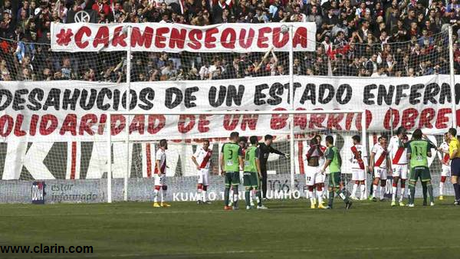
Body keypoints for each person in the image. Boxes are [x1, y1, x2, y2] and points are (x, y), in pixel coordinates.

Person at [320, 135, 352, 209]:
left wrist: (324, 168)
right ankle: (330, 205)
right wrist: (339, 166)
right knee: (330, 188)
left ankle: (347, 201)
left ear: (327, 142)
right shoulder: (336, 149)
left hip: (334, 171)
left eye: (326, 141)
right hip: (336, 170)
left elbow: (329, 159)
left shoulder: (330, 149)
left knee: (336, 188)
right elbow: (340, 159)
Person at [406, 129, 436, 207]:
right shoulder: (426, 143)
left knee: (412, 183)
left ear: (414, 136)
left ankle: (411, 203)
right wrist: (427, 139)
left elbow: (408, 156)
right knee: (427, 183)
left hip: (414, 165)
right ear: (421, 135)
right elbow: (429, 154)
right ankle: (430, 201)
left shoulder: (411, 143)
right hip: (424, 165)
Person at [258, 135, 289, 199]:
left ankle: (264, 197)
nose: (272, 141)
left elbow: (275, 151)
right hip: (258, 166)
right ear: (268, 140)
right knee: (257, 182)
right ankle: (256, 196)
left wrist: (283, 154)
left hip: (263, 166)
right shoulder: (260, 146)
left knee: (264, 181)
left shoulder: (269, 147)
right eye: (271, 140)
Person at [221, 132, 244, 210]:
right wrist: (243, 169)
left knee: (227, 187)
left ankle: (226, 205)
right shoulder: (238, 147)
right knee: (235, 188)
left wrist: (222, 168)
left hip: (227, 170)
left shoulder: (224, 145)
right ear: (235, 137)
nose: (239, 139)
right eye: (238, 137)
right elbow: (240, 159)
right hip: (234, 170)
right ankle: (235, 205)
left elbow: (221, 158)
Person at [243, 136, 267, 210]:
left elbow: (245, 160)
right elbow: (257, 161)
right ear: (256, 141)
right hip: (253, 170)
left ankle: (248, 205)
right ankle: (259, 205)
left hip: (246, 170)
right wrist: (259, 173)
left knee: (247, 188)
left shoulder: (247, 149)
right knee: (257, 187)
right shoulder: (256, 149)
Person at [388, 127, 409, 207]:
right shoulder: (393, 138)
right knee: (395, 180)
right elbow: (389, 148)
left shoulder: (406, 138)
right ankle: (393, 199)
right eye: (404, 131)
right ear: (400, 131)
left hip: (404, 163)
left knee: (403, 181)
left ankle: (401, 200)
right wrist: (387, 153)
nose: (405, 132)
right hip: (396, 163)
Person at [305, 136, 326, 209]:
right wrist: (313, 148)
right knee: (310, 186)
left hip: (318, 168)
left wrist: (317, 148)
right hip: (310, 169)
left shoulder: (319, 148)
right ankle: (312, 202)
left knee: (319, 185)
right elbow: (307, 155)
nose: (316, 143)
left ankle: (320, 203)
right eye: (315, 142)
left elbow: (321, 155)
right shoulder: (308, 148)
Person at [369, 135, 391, 201]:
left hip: (384, 167)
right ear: (380, 140)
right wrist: (371, 165)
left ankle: (381, 197)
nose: (384, 141)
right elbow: (372, 156)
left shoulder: (386, 148)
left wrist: (389, 167)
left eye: (385, 140)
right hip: (377, 166)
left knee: (383, 182)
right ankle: (373, 196)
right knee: (377, 179)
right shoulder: (376, 146)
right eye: (383, 139)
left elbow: (387, 158)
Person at [191, 139, 213, 204]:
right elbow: (193, 157)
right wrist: (197, 165)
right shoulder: (200, 150)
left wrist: (213, 166)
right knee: (200, 183)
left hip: (207, 169)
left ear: (208, 145)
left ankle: (204, 200)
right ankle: (198, 199)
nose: (205, 145)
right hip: (200, 169)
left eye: (206, 144)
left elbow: (210, 160)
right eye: (204, 144)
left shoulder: (210, 151)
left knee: (205, 185)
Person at [153, 139, 170, 208]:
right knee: (157, 186)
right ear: (164, 144)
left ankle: (163, 202)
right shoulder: (159, 152)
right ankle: (155, 202)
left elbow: (161, 161)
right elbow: (157, 161)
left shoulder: (163, 152)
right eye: (166, 143)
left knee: (164, 186)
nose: (167, 145)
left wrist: (165, 165)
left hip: (163, 171)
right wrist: (159, 170)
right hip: (159, 172)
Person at [349, 135, 367, 200]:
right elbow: (365, 157)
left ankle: (353, 194)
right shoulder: (363, 147)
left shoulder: (352, 148)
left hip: (354, 166)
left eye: (353, 140)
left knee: (356, 181)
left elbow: (350, 158)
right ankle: (362, 196)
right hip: (360, 165)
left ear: (356, 141)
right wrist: (366, 166)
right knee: (362, 181)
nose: (353, 141)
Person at [447, 128, 460, 205]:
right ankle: (458, 198)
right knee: (458, 180)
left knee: (453, 179)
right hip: (458, 160)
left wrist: (450, 158)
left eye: (448, 133)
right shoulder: (457, 141)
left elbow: (455, 151)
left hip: (455, 161)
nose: (447, 134)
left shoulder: (453, 141)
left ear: (450, 134)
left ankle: (457, 198)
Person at [437, 133, 451, 201]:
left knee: (456, 179)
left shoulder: (452, 143)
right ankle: (441, 194)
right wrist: (440, 159)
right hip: (444, 164)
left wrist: (449, 160)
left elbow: (452, 152)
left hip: (452, 164)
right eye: (444, 136)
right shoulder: (443, 144)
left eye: (445, 136)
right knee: (443, 178)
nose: (444, 137)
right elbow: (438, 151)